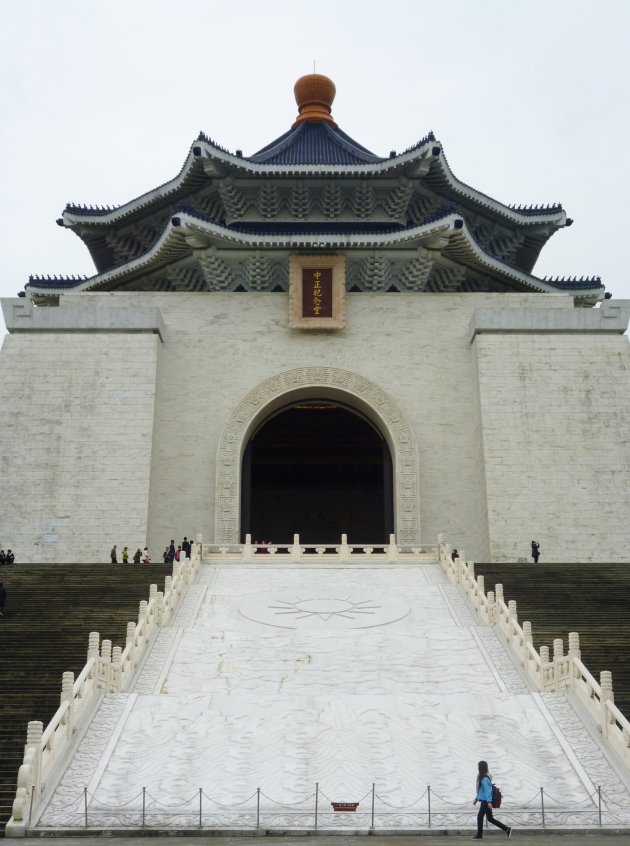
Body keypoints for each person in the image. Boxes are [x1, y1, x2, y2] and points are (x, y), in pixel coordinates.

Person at [472, 760, 511, 839]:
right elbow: (481, 790)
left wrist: (489, 802)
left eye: (479, 766)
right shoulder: (482, 777)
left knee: (480, 817)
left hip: (486, 802)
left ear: (481, 767)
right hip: (484, 801)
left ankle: (479, 835)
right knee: (490, 819)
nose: (478, 767)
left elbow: (488, 791)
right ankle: (507, 829)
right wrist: (476, 799)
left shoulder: (485, 778)